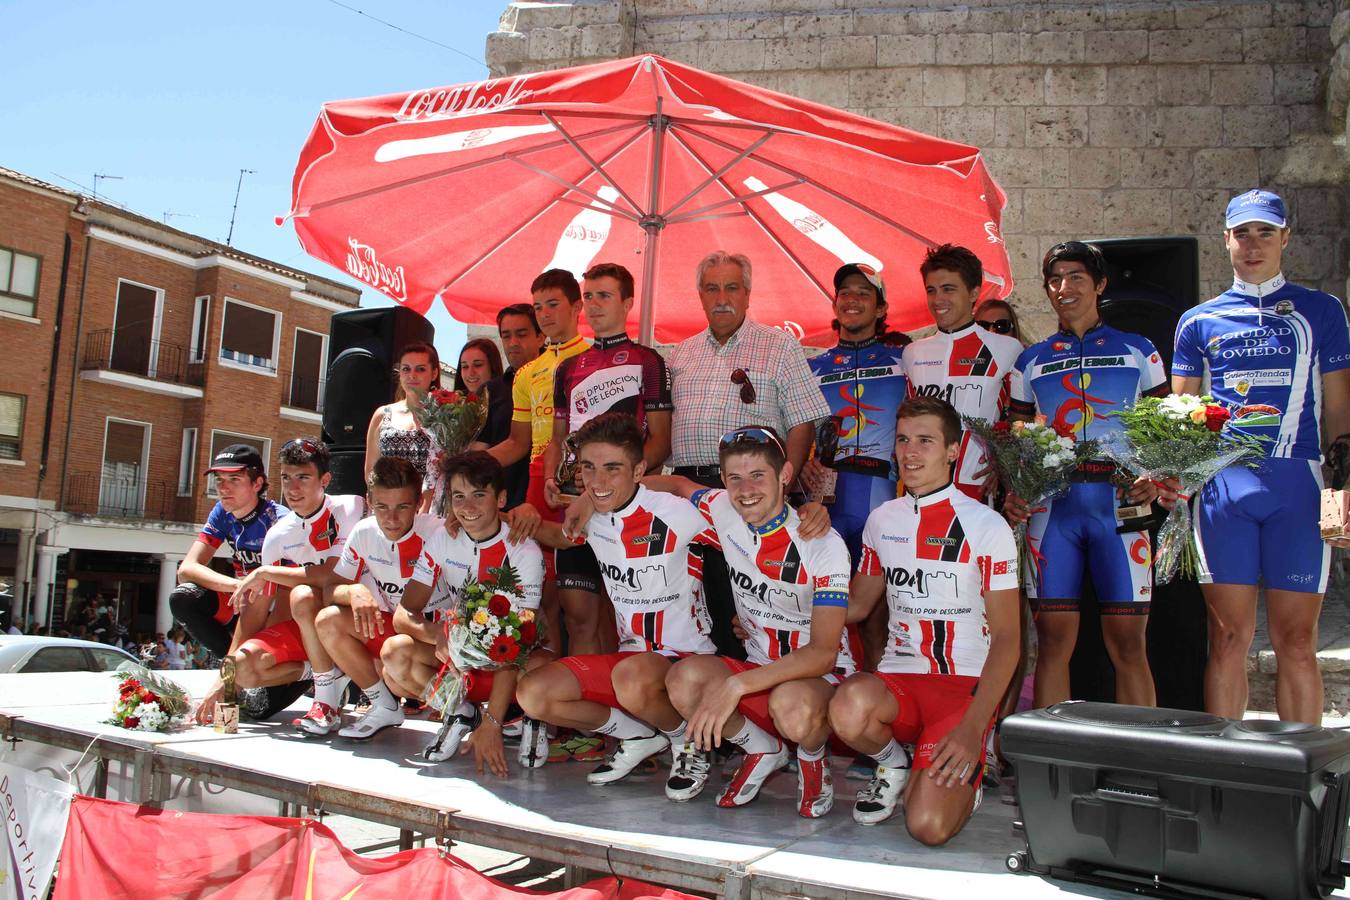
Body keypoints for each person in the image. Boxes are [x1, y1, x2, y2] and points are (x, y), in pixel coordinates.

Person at [1172, 189, 1350, 725]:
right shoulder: (1198, 321)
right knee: (1227, 637)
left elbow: (1339, 411)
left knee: (1296, 639)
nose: (1253, 245)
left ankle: (1302, 777)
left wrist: (1340, 495)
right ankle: (1225, 772)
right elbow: (1179, 417)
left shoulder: (1321, 310)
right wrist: (1174, 480)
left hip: (1298, 486)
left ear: (1285, 239)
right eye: (1242, 233)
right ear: (1225, 240)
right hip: (1224, 490)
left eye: (1265, 232)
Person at [829, 397, 1020, 842]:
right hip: (901, 683)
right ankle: (894, 762)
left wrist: (974, 729)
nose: (910, 452)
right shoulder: (882, 520)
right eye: (902, 440)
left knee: (927, 827)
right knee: (847, 705)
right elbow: (857, 606)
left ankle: (957, 776)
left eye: (925, 441)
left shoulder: (986, 524)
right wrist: (784, 606)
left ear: (953, 450)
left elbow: (1010, 638)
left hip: (962, 692)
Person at [647, 427, 852, 817]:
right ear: (723, 481)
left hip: (817, 679)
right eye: (735, 478)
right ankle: (763, 749)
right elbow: (675, 485)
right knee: (683, 679)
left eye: (758, 475)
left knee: (790, 704)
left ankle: (811, 758)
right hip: (758, 666)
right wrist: (592, 499)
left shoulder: (822, 541)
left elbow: (824, 653)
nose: (746, 489)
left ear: (785, 475)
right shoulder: (722, 508)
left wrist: (736, 684)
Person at [1006, 240, 1165, 709]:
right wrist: (1015, 489)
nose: (1064, 288)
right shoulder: (1030, 359)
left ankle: (1140, 759)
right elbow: (1014, 439)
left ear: (1099, 284)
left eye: (1076, 277)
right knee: (1052, 645)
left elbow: (1163, 431)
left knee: (1130, 646)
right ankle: (1053, 766)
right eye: (1055, 280)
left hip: (1121, 509)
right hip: (1053, 511)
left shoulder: (1140, 351)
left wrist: (1156, 475)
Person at [518, 413, 716, 788]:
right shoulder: (594, 516)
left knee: (631, 676)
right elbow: (560, 536)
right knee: (534, 694)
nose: (598, 481)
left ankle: (687, 742)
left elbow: (753, 513)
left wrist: (809, 512)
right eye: (589, 469)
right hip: (632, 662)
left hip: (688, 663)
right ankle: (641, 735)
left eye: (613, 469)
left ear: (639, 469)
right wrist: (505, 516)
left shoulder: (678, 514)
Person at [667, 250, 831, 657]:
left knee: (741, 599)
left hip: (750, 492)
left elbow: (803, 421)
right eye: (712, 288)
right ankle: (698, 693)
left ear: (748, 293)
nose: (722, 296)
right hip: (688, 489)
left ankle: (744, 698)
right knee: (690, 597)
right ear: (700, 294)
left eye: (731, 287)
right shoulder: (680, 354)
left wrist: (783, 484)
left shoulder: (779, 346)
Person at [540, 263, 673, 659]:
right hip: (575, 504)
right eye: (589, 296)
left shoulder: (648, 362)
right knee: (578, 613)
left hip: (625, 509)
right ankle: (587, 712)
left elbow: (661, 442)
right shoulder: (568, 367)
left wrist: (617, 488)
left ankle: (619, 706)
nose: (594, 304)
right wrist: (551, 476)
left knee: (623, 615)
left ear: (628, 303)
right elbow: (558, 438)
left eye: (605, 295)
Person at [387, 451, 549, 776]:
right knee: (395, 655)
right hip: (463, 662)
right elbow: (403, 614)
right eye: (459, 497)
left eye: (479, 495)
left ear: (501, 499)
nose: (468, 508)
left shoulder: (523, 550)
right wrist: (439, 636)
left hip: (511, 664)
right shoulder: (442, 539)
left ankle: (524, 715)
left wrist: (493, 723)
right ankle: (461, 712)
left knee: (544, 670)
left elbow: (520, 639)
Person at [223, 438, 365, 735]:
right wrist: (225, 678)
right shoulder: (277, 536)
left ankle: (326, 699)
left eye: (303, 477)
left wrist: (265, 571)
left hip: (349, 624)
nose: (293, 488)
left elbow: (332, 574)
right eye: (287, 478)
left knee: (302, 595)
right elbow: (257, 610)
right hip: (308, 633)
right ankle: (323, 671)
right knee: (244, 667)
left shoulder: (350, 506)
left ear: (325, 479)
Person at [489, 269, 590, 660]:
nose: (545, 314)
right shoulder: (528, 373)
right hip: (537, 480)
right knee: (540, 594)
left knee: (587, 603)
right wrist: (468, 464)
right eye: (538, 307)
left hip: (584, 483)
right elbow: (518, 443)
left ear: (576, 306)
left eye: (553, 304)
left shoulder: (594, 358)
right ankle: (544, 693)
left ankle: (590, 690)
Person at [312, 456, 445, 740]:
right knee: (328, 619)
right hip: (400, 634)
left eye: (402, 507)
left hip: (440, 641)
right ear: (369, 502)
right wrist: (353, 591)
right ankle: (383, 705)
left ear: (419, 502)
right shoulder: (364, 533)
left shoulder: (438, 531)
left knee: (395, 661)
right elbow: (328, 592)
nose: (391, 518)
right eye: (382, 507)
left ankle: (463, 712)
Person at [176, 444, 302, 720]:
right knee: (184, 597)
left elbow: (284, 602)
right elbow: (187, 568)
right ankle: (233, 669)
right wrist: (236, 585)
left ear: (258, 483)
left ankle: (311, 673)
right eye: (219, 480)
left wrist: (228, 676)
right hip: (247, 604)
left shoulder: (280, 524)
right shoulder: (222, 511)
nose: (224, 488)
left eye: (234, 479)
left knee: (255, 710)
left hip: (284, 617)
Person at [803, 263, 908, 565]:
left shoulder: (904, 360)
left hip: (882, 488)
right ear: (835, 304)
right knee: (824, 589)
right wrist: (798, 468)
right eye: (845, 293)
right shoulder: (812, 367)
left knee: (876, 593)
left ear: (880, 308)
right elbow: (794, 430)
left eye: (863, 293)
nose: (852, 299)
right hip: (824, 492)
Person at [902, 244, 1024, 502]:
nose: (938, 300)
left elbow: (1023, 419)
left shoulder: (1007, 349)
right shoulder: (913, 353)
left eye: (949, 289)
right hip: (918, 490)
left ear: (974, 292)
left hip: (976, 489)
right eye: (931, 290)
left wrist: (1005, 463)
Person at [364, 341, 441, 505]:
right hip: (389, 511)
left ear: (434, 373)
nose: (412, 375)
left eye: (420, 369)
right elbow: (371, 472)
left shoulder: (445, 416)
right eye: (406, 369)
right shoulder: (382, 415)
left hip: (429, 512)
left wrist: (424, 505)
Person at [495, 302, 546, 508]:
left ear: (541, 337)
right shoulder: (491, 390)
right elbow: (483, 444)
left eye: (521, 334)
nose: (513, 342)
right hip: (503, 505)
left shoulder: (561, 377)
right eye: (506, 335)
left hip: (550, 499)